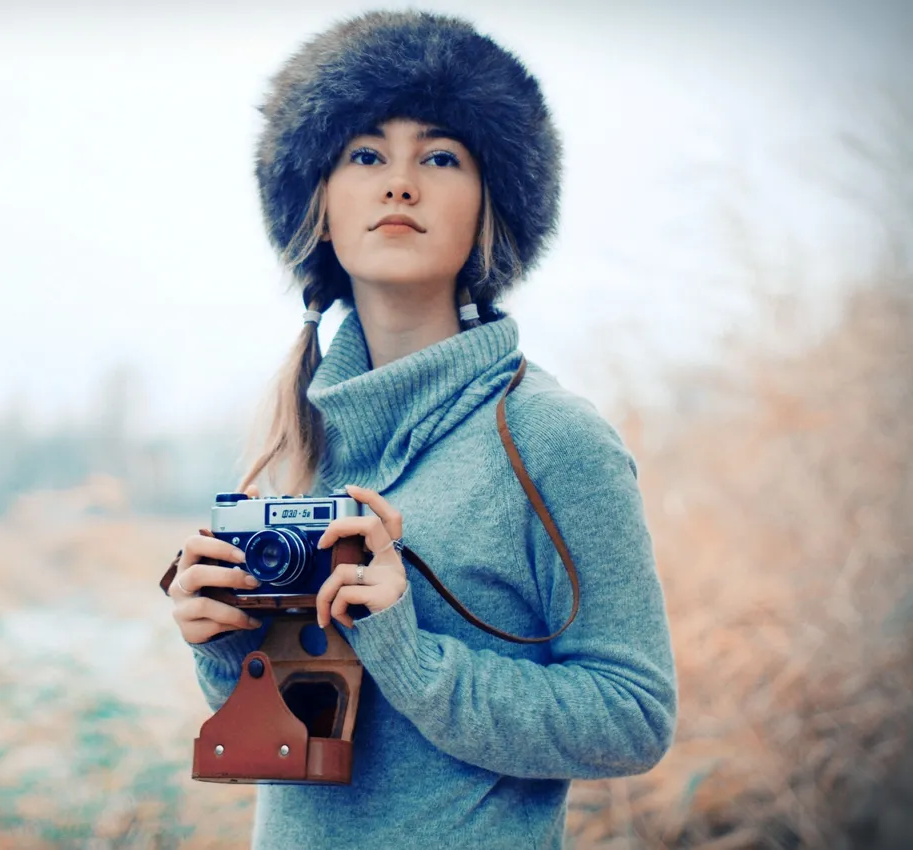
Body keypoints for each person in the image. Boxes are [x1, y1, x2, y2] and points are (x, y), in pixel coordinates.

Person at [166, 10, 677, 849]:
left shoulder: (550, 439)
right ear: (318, 205)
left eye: (439, 157)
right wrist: (225, 644)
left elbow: (632, 717)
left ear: (491, 206)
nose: (399, 183)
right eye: (366, 155)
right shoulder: (299, 445)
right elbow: (299, 731)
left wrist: (411, 652)